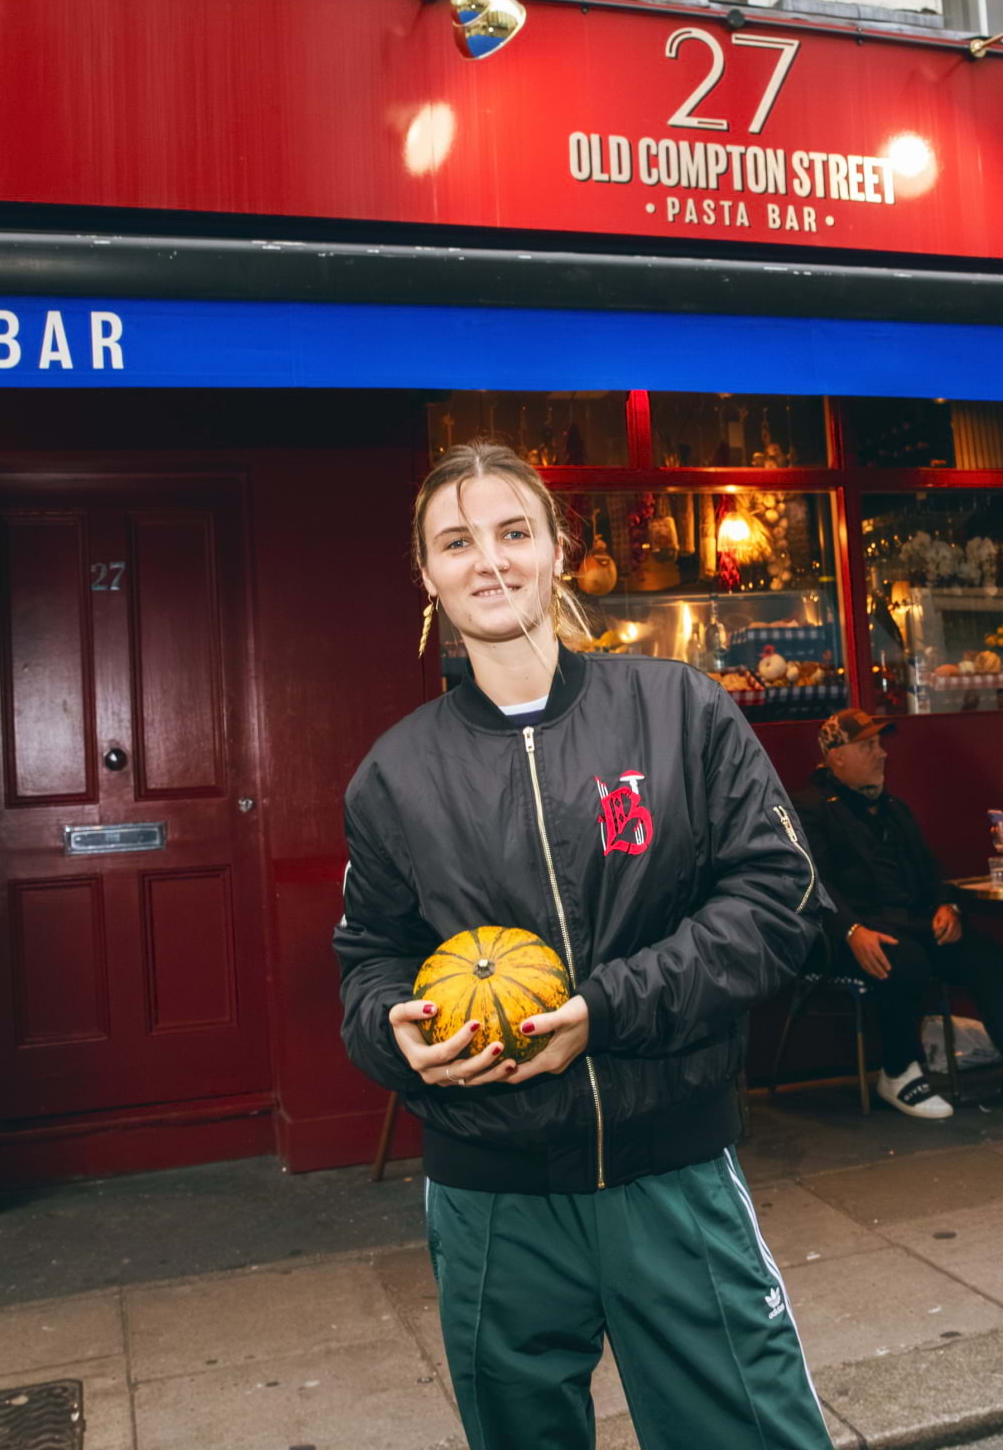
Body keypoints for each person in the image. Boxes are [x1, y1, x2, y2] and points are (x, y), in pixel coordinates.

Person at [334, 441, 834, 1450]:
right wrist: (395, 1032)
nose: (490, 559)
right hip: (490, 1195)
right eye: (456, 540)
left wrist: (606, 1009)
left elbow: (784, 897)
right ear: (426, 575)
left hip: (672, 1171)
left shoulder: (679, 709)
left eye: (514, 531)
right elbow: (369, 961)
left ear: (559, 549)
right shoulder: (394, 775)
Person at [792, 708, 1003, 1133]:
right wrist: (851, 930)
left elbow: (931, 872)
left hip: (910, 924)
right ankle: (898, 1072)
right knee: (906, 960)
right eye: (867, 746)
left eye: (880, 744)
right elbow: (813, 882)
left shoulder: (893, 808)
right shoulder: (810, 808)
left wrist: (950, 907)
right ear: (836, 756)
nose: (882, 754)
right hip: (848, 936)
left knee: (988, 959)